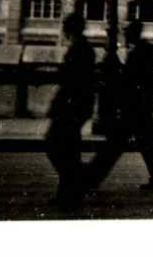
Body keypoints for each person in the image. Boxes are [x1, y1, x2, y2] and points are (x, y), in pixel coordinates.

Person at [84, 21, 153, 193]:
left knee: (116, 145)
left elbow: (130, 78)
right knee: (148, 144)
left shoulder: (139, 52)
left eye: (128, 33)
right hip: (140, 105)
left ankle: (91, 179)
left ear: (133, 34)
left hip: (135, 106)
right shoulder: (146, 50)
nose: (125, 36)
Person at [45, 12, 96, 209]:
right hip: (77, 107)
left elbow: (71, 80)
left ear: (68, 29)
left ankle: (73, 189)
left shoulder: (79, 50)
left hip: (71, 107)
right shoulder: (84, 48)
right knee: (68, 150)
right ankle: (70, 192)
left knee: (56, 146)